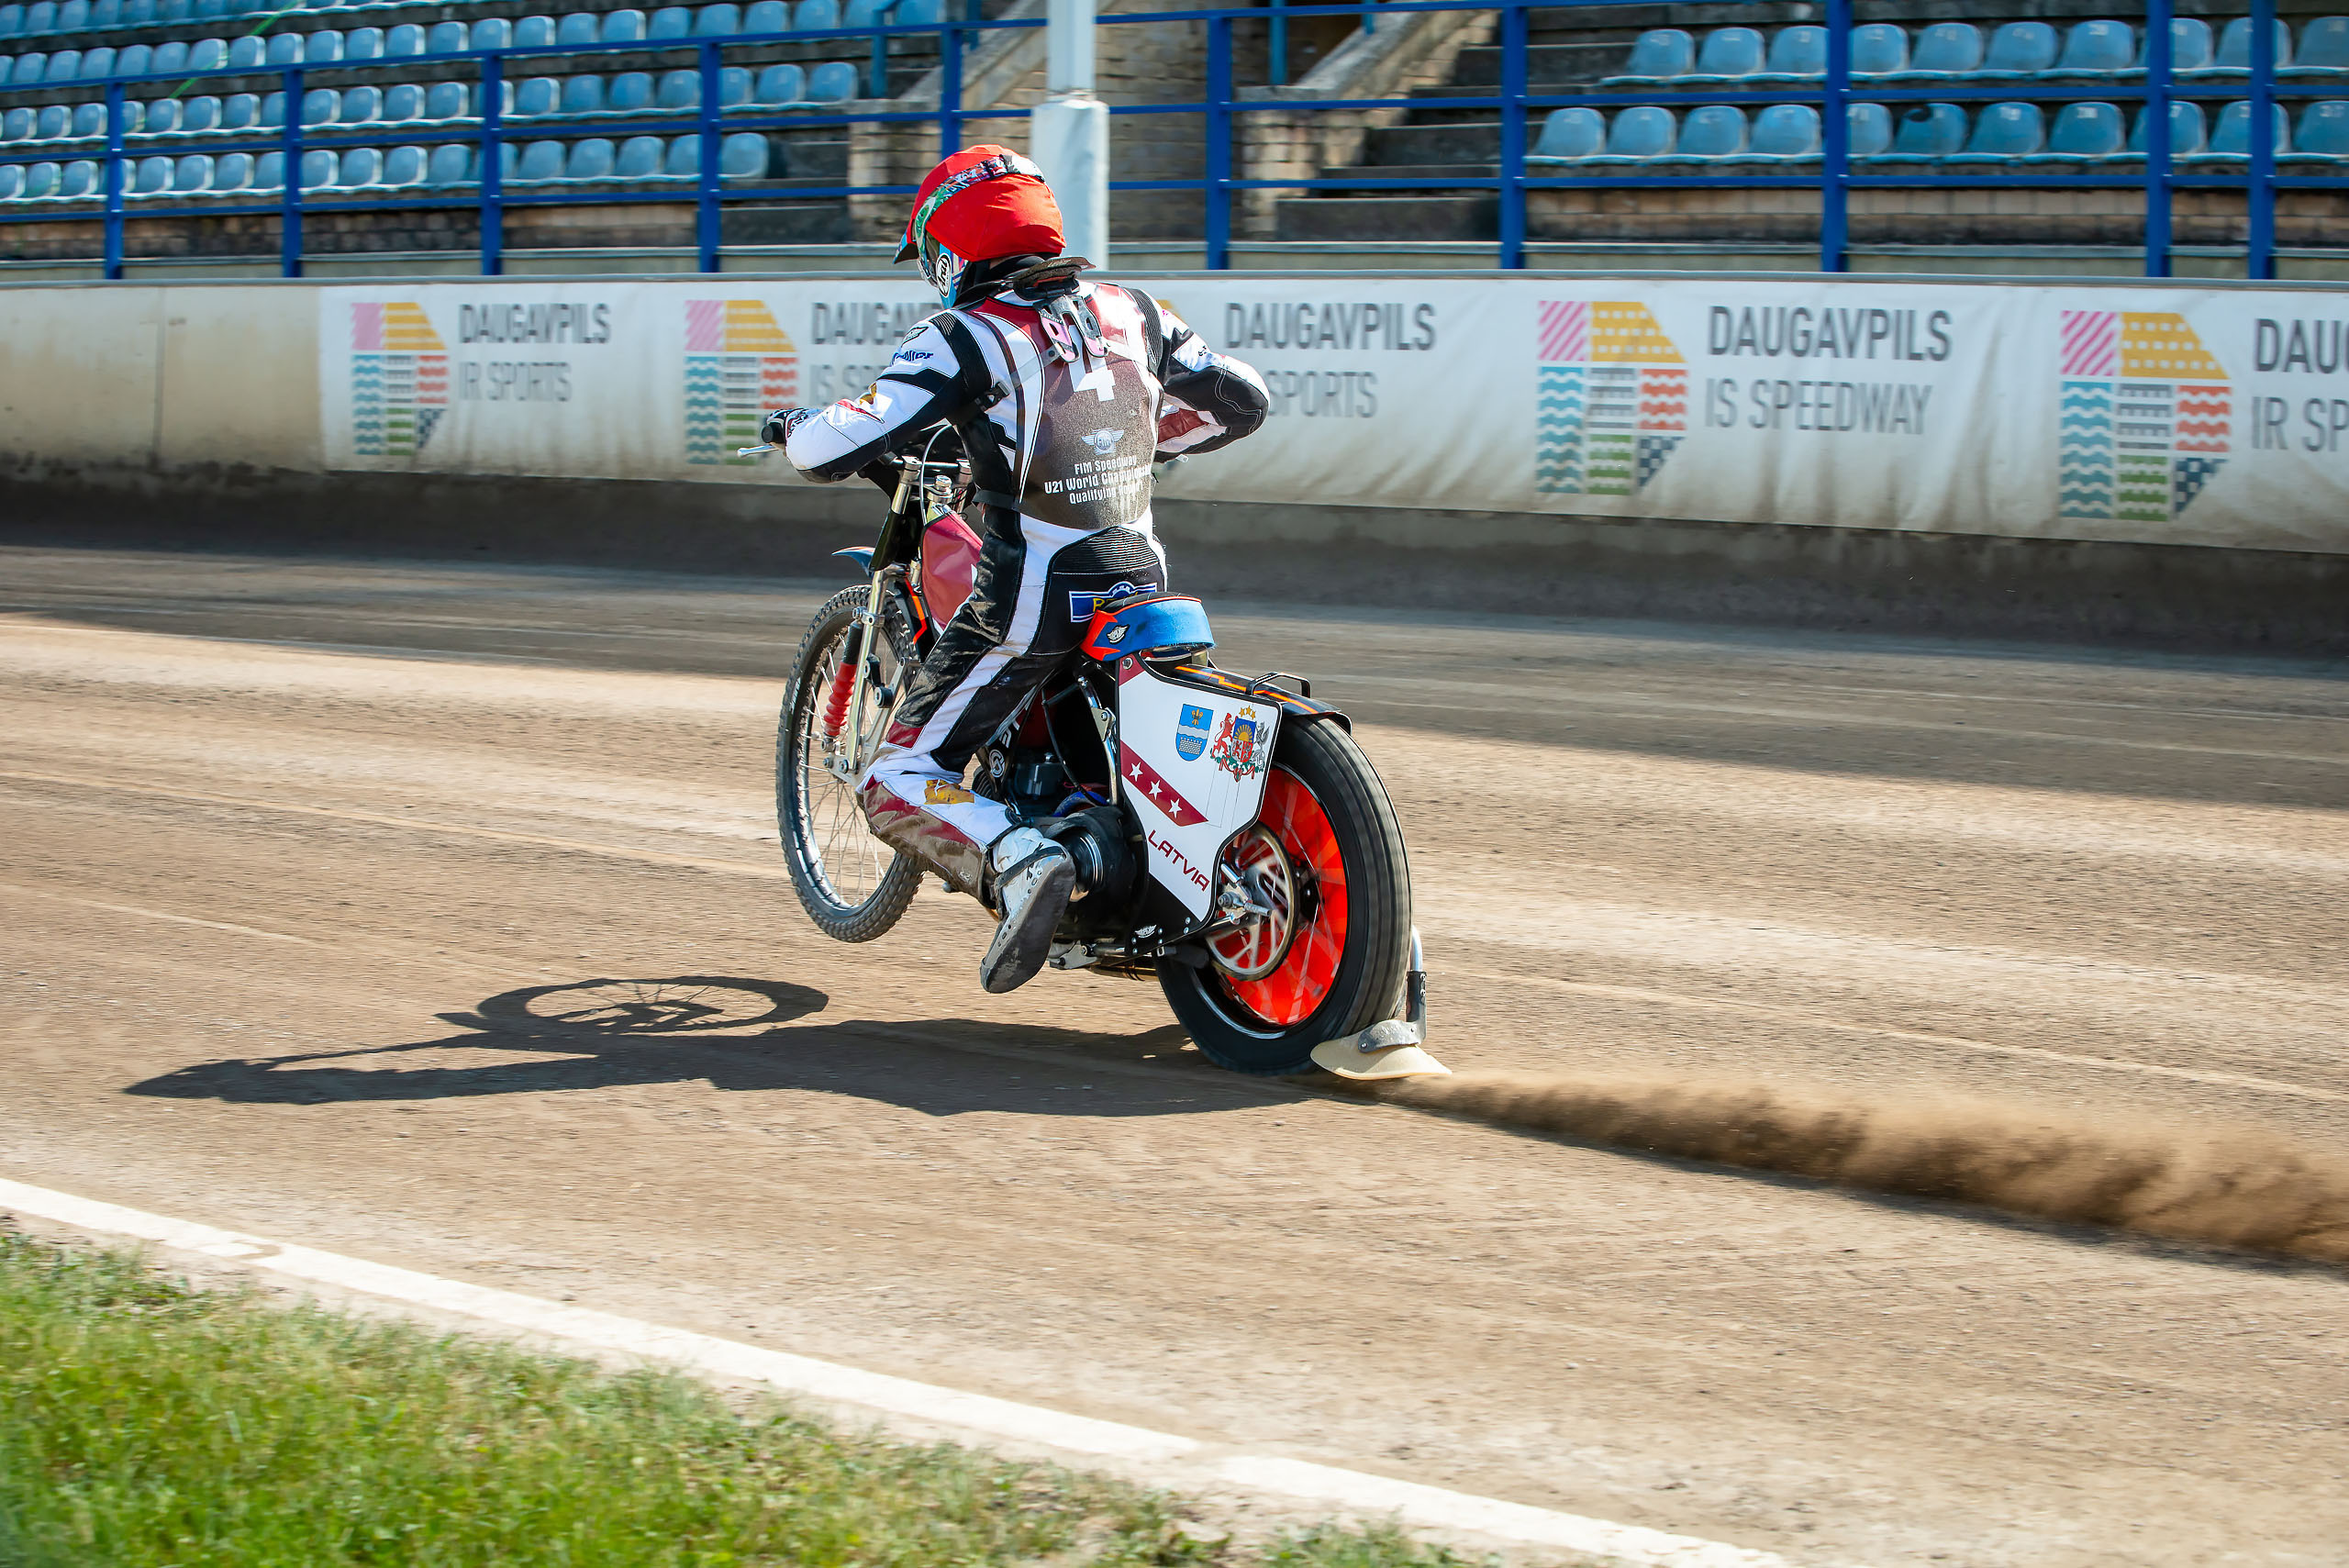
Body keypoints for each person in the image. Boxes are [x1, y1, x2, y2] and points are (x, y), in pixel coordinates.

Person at [763, 146, 1270, 996]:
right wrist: (1145, 439)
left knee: (888, 778)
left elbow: (834, 444)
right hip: (1141, 578)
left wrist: (794, 426)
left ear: (952, 243)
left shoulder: (963, 337)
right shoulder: (1131, 309)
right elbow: (1243, 399)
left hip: (1036, 601)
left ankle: (1018, 854)